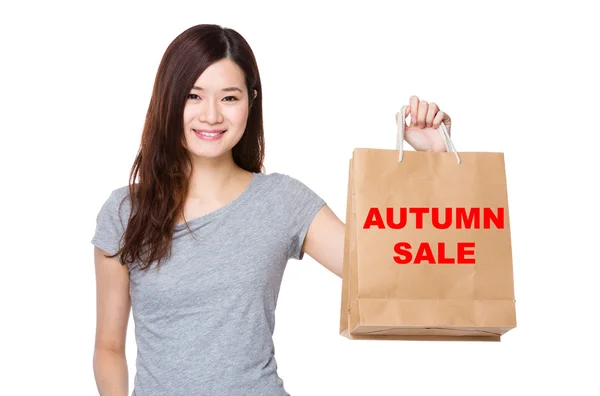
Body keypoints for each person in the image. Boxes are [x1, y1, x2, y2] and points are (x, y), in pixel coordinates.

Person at [91, 23, 452, 396]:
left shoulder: (281, 201)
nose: (211, 115)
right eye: (193, 96)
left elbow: (392, 271)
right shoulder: (124, 211)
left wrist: (433, 162)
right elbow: (109, 348)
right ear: (168, 100)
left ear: (251, 101)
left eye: (229, 98)